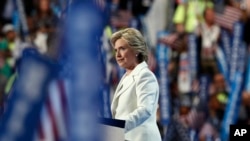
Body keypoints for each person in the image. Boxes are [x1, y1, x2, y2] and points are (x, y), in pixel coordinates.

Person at [110, 28, 161, 141]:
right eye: (115, 50)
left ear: (136, 50)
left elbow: (145, 109)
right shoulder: (125, 77)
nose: (117, 55)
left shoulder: (145, 76)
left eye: (122, 49)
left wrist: (119, 126)